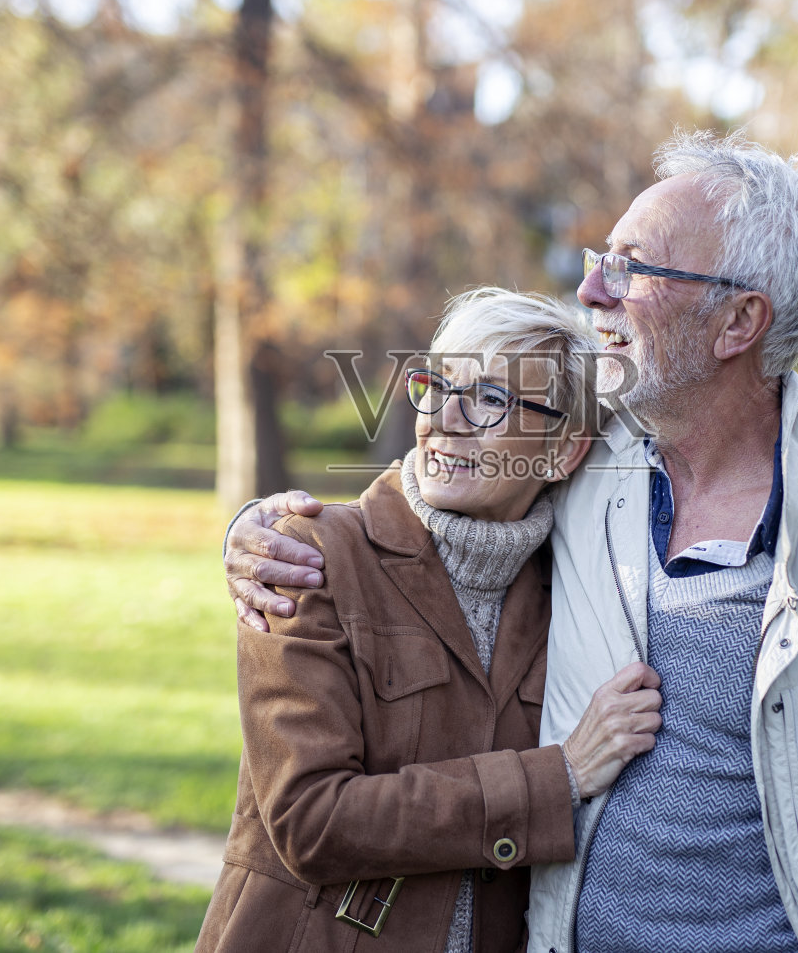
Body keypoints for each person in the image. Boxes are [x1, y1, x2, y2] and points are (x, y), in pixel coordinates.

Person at [226, 131, 798, 953]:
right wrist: (264, 531)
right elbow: (451, 478)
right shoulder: (586, 465)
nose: (590, 290)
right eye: (597, 258)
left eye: (630, 269)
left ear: (738, 321)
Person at [195, 287, 664, 953]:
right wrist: (553, 777)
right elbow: (311, 820)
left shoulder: (574, 592)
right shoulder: (310, 556)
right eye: (436, 385)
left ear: (562, 452)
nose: (443, 418)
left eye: (490, 399)